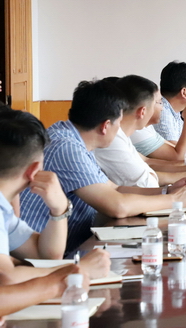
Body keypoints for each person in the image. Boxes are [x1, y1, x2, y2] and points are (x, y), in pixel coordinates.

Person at [20, 79, 186, 253]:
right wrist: (175, 200)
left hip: (69, 245)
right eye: (118, 123)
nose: (119, 131)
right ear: (106, 126)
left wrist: (167, 191)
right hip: (41, 253)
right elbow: (117, 206)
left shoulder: (74, 138)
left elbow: (114, 189)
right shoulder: (67, 147)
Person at [0, 108, 109, 283]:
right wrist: (79, 269)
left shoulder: (4, 210)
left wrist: (59, 209)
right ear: (34, 170)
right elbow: (5, 277)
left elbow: (45, 256)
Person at [94, 75, 186, 187]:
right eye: (159, 102)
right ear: (142, 111)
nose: (162, 108)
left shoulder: (122, 134)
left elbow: (147, 162)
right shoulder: (111, 138)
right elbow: (147, 182)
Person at [155, 61, 186, 142]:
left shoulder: (174, 111)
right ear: (184, 92)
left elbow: (184, 143)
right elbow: (181, 149)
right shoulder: (163, 112)